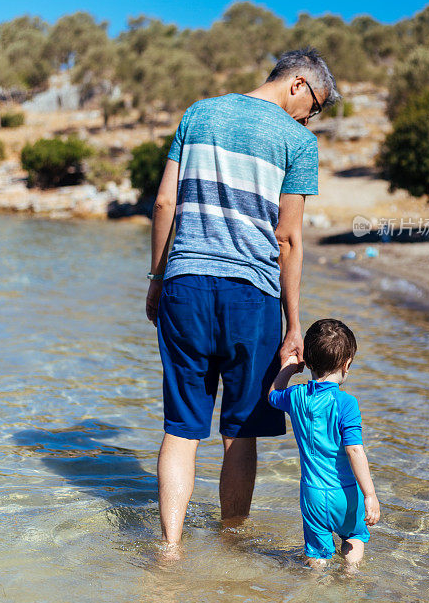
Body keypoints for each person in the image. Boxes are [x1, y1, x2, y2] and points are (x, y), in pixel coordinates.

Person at [145, 48, 341, 547]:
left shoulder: (199, 112)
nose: (311, 116)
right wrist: (293, 325)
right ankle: (231, 546)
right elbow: (288, 238)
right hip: (252, 294)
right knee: (240, 428)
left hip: (184, 284)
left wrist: (156, 278)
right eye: (315, 105)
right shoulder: (298, 141)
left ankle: (169, 550)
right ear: (298, 83)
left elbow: (165, 201)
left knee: (182, 427)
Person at [268, 318, 380, 567]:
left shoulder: (295, 396)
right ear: (346, 364)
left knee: (317, 555)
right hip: (346, 493)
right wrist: (370, 494)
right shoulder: (346, 403)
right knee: (354, 537)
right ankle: (351, 577)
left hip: (313, 495)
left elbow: (272, 395)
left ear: (307, 362)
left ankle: (316, 588)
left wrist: (288, 367)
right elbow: (354, 450)